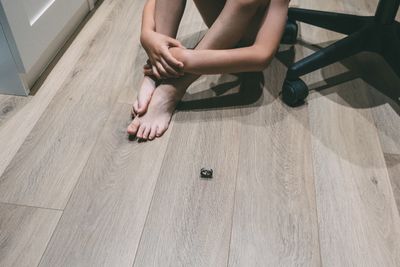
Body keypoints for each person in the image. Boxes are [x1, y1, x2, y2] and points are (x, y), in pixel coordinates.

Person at [127, 0, 289, 140]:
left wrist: (185, 58)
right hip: (220, 23)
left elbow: (262, 55)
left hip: (251, 35)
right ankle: (157, 71)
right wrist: (147, 34)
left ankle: (172, 87)